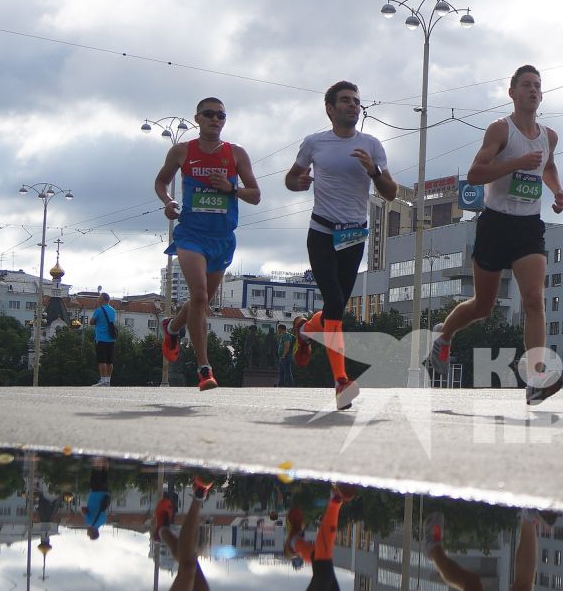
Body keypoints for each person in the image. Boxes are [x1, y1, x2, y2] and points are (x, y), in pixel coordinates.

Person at [427, 65, 563, 406]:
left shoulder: (549, 136)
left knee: (534, 298)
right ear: (512, 93)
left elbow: (546, 165)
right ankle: (443, 339)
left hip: (528, 227)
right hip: (495, 224)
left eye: (538, 86)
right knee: (483, 306)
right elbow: (475, 174)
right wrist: (515, 163)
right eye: (526, 85)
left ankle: (535, 378)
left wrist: (558, 190)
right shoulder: (499, 130)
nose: (533, 90)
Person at [285, 81, 401, 410]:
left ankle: (306, 330)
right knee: (334, 300)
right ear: (330, 109)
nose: (353, 106)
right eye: (346, 101)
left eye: (357, 101)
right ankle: (341, 381)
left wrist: (374, 171)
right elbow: (290, 179)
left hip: (353, 236)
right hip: (321, 231)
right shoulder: (314, 143)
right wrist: (300, 182)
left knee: (336, 308)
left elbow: (390, 193)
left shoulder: (372, 145)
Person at [154, 97, 261, 391]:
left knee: (204, 300)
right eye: (209, 114)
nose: (216, 119)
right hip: (190, 234)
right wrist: (168, 201)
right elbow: (161, 182)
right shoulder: (181, 151)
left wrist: (232, 188)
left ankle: (173, 327)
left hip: (222, 238)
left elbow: (255, 194)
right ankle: (205, 369)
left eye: (221, 115)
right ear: (198, 118)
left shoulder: (236, 154)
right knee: (199, 295)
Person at [89, 291, 119, 386]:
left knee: (101, 360)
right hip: (111, 338)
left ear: (102, 299)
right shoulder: (113, 310)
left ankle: (103, 380)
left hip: (101, 338)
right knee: (109, 361)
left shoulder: (99, 310)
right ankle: (108, 381)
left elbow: (91, 322)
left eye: (99, 298)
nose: (98, 299)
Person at [84, 456, 111, 540]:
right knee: (96, 474)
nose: (87, 533)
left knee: (104, 475)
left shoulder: (103, 522)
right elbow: (83, 510)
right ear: (93, 533)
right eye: (89, 534)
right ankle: (98, 459)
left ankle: (105, 460)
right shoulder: (89, 522)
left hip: (105, 493)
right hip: (95, 493)